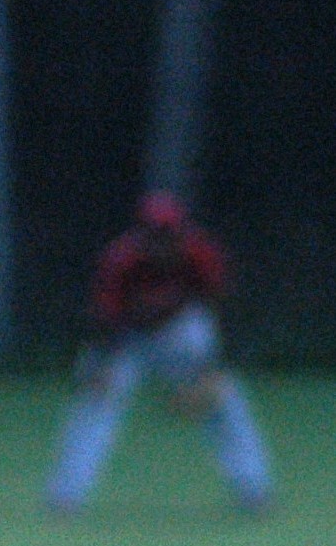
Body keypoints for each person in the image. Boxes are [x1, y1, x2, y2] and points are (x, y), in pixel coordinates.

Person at [46, 192, 275, 515]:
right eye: (155, 234)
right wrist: (99, 367)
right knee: (95, 404)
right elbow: (102, 317)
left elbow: (223, 305)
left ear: (181, 232)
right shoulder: (121, 259)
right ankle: (65, 497)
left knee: (225, 401)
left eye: (168, 234)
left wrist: (216, 367)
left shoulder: (200, 253)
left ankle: (255, 490)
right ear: (141, 235)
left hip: (180, 331)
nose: (162, 242)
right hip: (126, 337)